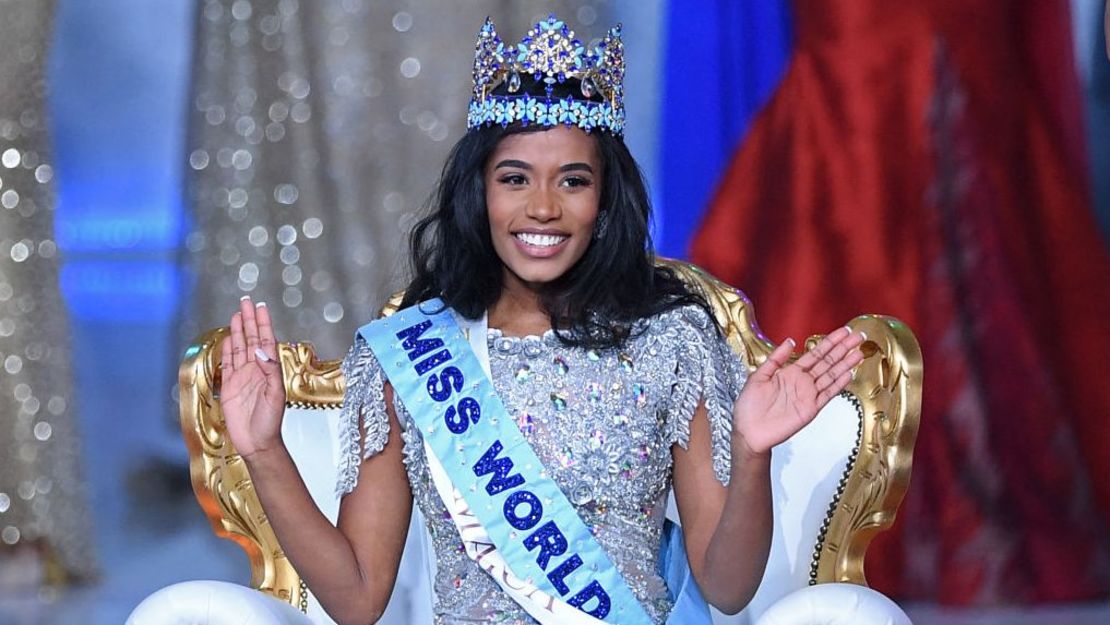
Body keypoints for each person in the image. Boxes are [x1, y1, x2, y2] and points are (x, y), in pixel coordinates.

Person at [216, 15, 864, 625]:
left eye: (574, 181)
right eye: (516, 179)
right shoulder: (411, 356)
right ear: (482, 192)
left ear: (606, 199)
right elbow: (357, 597)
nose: (544, 208)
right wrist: (264, 450)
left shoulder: (671, 345)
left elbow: (727, 585)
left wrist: (750, 453)